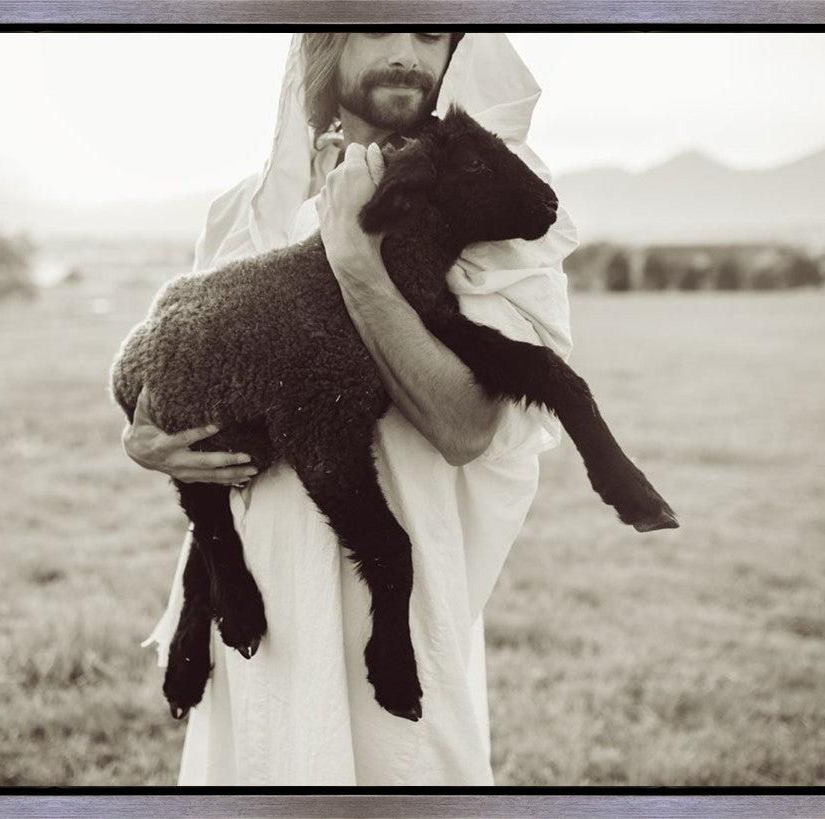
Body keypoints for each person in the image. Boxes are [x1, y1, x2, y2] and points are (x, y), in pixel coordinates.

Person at [124, 32, 578, 786]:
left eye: (429, 33)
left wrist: (356, 259)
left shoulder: (484, 206)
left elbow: (468, 428)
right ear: (324, 45)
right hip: (255, 595)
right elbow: (190, 374)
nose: (406, 52)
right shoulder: (242, 210)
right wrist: (145, 441)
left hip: (392, 601)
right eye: (375, 25)